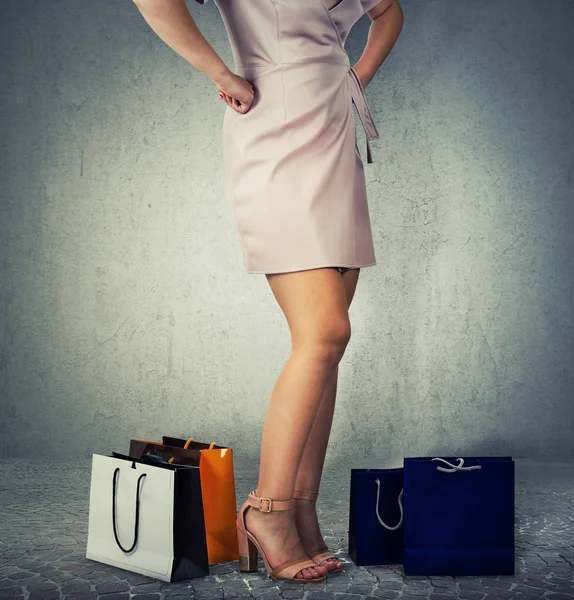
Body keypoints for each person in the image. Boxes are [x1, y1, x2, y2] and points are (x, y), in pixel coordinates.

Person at [132, 0, 404, 583]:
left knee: (326, 349)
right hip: (275, 140)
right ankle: (267, 508)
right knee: (325, 331)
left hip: (334, 137)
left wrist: (358, 75)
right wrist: (221, 74)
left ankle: (301, 508)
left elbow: (389, 11)